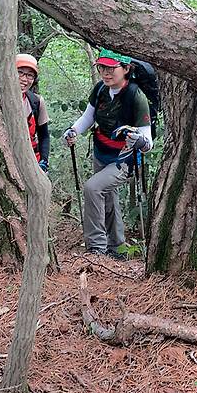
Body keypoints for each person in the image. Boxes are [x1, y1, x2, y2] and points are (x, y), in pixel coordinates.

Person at [63, 50, 152, 259]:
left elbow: (148, 142)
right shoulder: (100, 89)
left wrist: (139, 141)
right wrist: (73, 130)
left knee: (92, 188)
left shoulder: (136, 96)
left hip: (123, 159)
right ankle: (117, 248)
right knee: (108, 198)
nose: (106, 72)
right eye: (102, 67)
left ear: (126, 69)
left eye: (111, 68)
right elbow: (88, 117)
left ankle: (96, 247)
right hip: (101, 152)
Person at [16, 53, 50, 171]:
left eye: (30, 75)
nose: (24, 79)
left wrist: (44, 160)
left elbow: (44, 135)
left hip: (33, 160)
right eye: (20, 72)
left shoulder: (36, 101)